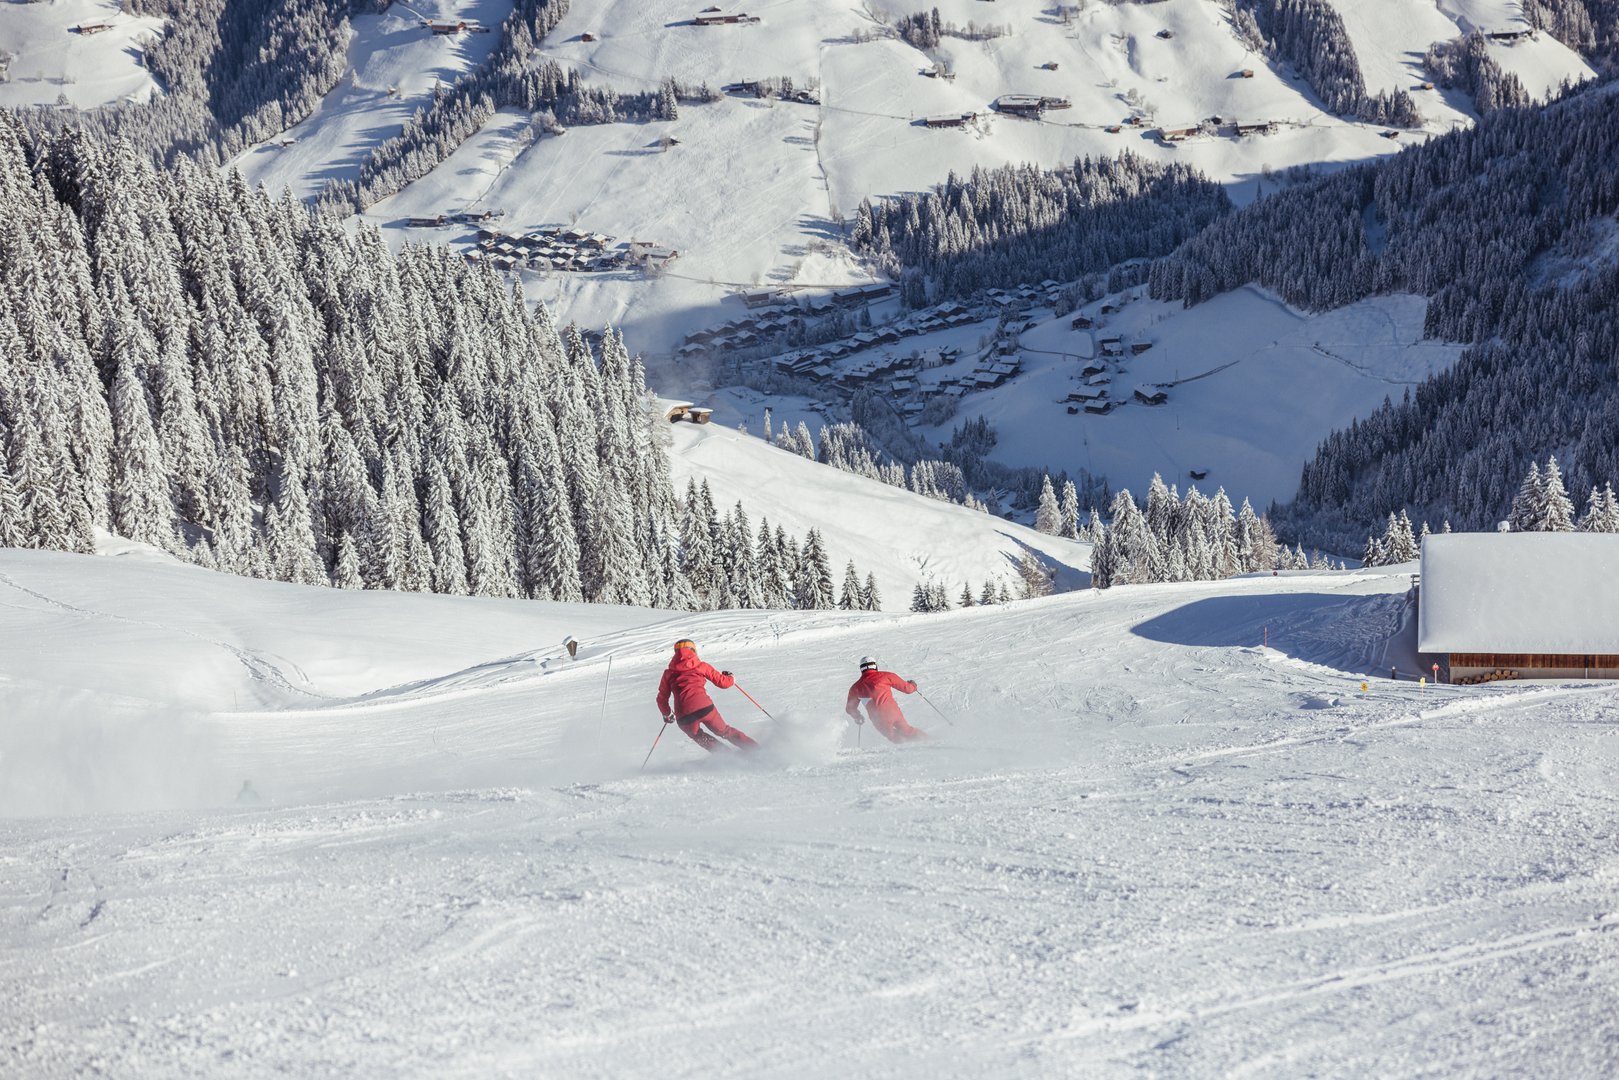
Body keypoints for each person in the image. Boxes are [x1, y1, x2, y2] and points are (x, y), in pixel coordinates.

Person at [656, 639, 758, 752]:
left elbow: (662, 698)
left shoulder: (668, 673)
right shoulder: (701, 666)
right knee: (724, 731)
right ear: (693, 650)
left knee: (699, 736)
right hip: (704, 708)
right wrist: (731, 678)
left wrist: (667, 714)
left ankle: (727, 757)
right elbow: (723, 683)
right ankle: (756, 750)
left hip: (684, 716)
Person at [845, 657, 926, 743]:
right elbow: (908, 689)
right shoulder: (886, 676)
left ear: (861, 669)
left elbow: (850, 708)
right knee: (907, 730)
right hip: (893, 712)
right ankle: (931, 741)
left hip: (878, 720)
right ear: (875, 666)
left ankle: (910, 749)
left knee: (894, 737)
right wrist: (913, 685)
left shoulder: (855, 688)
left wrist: (857, 716)